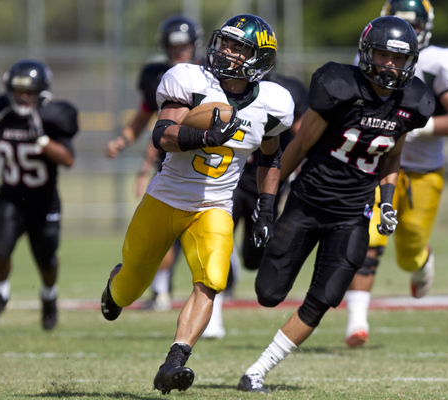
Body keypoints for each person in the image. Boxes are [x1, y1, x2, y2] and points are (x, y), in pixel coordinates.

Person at [237, 16, 435, 392]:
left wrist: (388, 200)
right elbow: (297, 147)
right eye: (383, 55)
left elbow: (392, 156)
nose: (391, 65)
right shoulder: (339, 87)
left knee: (325, 298)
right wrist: (270, 199)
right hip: (308, 202)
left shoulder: (412, 102)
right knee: (268, 294)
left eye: (399, 58)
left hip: (353, 213)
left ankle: (257, 371)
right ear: (367, 53)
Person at [99, 14, 294, 395]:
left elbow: (271, 155)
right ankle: (114, 288)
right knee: (130, 287)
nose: (227, 52)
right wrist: (203, 135)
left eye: (239, 48)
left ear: (259, 58)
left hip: (215, 205)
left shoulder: (273, 103)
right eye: (225, 43)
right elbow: (163, 135)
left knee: (212, 280)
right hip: (166, 197)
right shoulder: (190, 79)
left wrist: (267, 207)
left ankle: (174, 362)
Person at [344, 0, 448, 348]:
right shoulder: (368, 57)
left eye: (413, 25)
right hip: (378, 166)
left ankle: (422, 260)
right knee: (367, 241)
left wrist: (416, 128)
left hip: (421, 170)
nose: (405, 35)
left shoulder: (440, 61)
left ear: (426, 25)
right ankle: (357, 322)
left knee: (409, 251)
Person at [105, 14, 203, 312]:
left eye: (185, 45)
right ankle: (161, 291)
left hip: (210, 162)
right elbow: (148, 121)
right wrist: (123, 141)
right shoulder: (156, 76)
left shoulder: (210, 74)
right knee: (160, 230)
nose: (180, 51)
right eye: (174, 46)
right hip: (172, 161)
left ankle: (228, 266)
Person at [201, 70, 309, 339]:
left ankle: (235, 262)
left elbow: (302, 133)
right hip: (229, 178)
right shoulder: (218, 87)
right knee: (217, 239)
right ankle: (213, 316)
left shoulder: (284, 92)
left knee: (254, 256)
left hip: (263, 180)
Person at [0, 59, 79, 331]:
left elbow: (68, 159)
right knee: (0, 249)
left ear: (41, 92)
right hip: (10, 196)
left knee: (46, 258)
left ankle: (49, 297)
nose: (24, 96)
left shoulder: (53, 117)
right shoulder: (0, 110)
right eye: (19, 90)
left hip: (44, 201)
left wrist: (42, 139)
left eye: (30, 91)